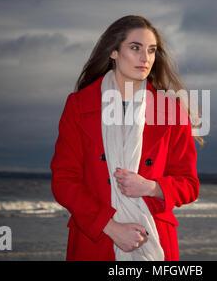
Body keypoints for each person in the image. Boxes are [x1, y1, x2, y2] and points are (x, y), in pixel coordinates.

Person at [50, 15, 204, 261]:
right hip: (96, 240)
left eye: (152, 51)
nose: (146, 58)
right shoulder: (79, 106)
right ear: (113, 51)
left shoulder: (172, 111)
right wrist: (110, 227)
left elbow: (189, 184)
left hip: (153, 238)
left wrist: (152, 187)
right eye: (135, 48)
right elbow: (64, 180)